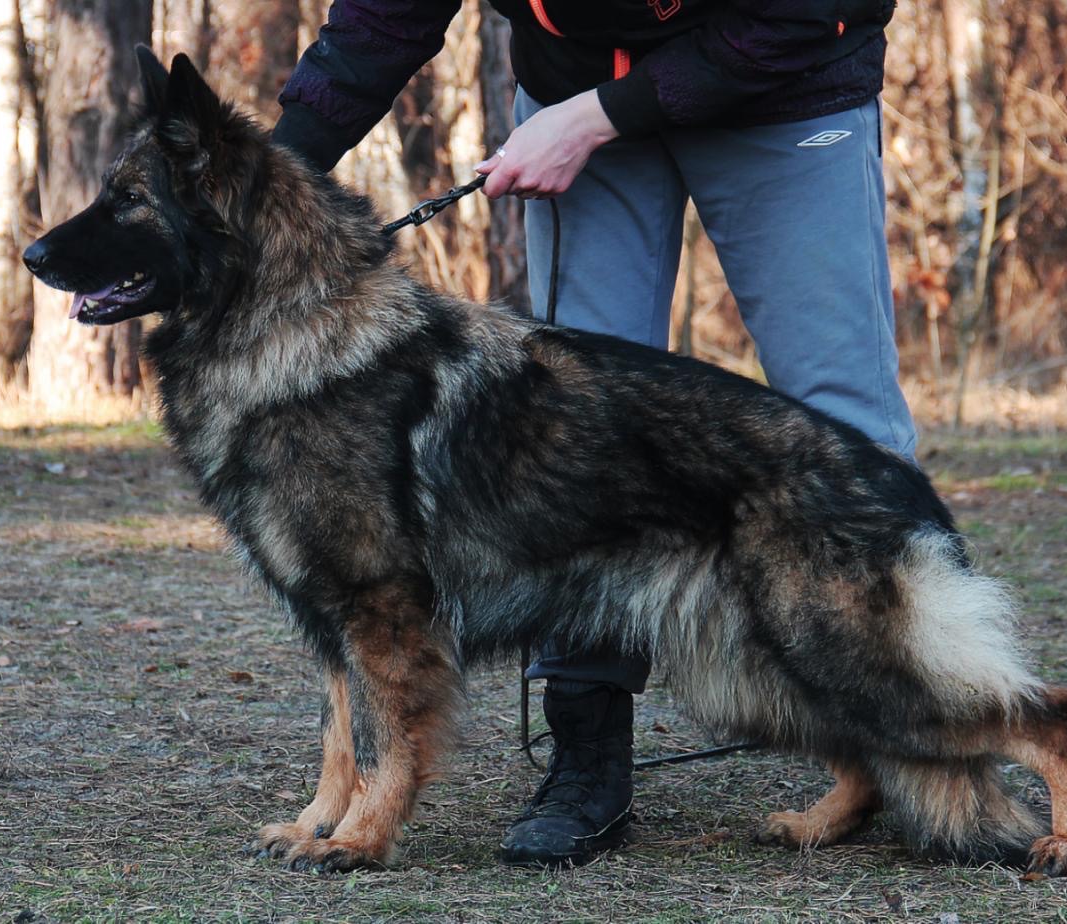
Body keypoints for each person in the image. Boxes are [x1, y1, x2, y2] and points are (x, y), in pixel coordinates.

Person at [272, 0, 917, 869]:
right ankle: (586, 756)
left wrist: (595, 116)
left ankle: (918, 738)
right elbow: (383, 20)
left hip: (785, 88)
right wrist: (270, 175)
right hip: (575, 85)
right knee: (566, 449)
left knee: (847, 425)